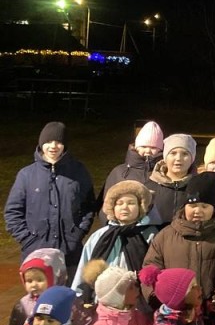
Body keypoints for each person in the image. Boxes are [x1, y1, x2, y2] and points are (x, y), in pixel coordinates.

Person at [142, 171, 215, 313]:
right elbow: (150, 270)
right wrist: (158, 299)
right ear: (184, 207)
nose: (197, 211)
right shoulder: (165, 236)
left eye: (204, 206)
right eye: (192, 205)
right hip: (175, 313)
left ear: (214, 208)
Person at [4, 121, 96, 272]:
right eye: (48, 141)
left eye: (59, 142)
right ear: (41, 144)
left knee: (70, 295)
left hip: (70, 254)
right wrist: (28, 239)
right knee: (39, 296)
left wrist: (77, 233)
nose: (53, 146)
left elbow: (89, 206)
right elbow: (12, 212)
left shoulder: (79, 171)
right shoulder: (26, 175)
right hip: (35, 254)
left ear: (65, 145)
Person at [72, 180, 159, 293]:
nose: (125, 207)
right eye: (119, 203)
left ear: (141, 206)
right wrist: (78, 295)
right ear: (112, 207)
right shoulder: (99, 236)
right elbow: (84, 267)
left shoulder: (151, 235)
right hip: (102, 298)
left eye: (131, 203)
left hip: (136, 298)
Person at [5, 248, 72, 325]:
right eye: (29, 281)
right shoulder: (22, 305)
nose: (34, 285)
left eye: (40, 280)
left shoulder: (67, 300)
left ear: (56, 276)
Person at [101, 120, 164, 200]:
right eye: (143, 147)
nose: (148, 151)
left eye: (153, 148)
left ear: (160, 149)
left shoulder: (165, 172)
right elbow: (107, 202)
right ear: (136, 147)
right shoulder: (119, 172)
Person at [148, 133, 198, 226]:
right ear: (165, 157)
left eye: (185, 154)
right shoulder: (149, 186)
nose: (178, 158)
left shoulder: (199, 186)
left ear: (192, 158)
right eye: (173, 153)